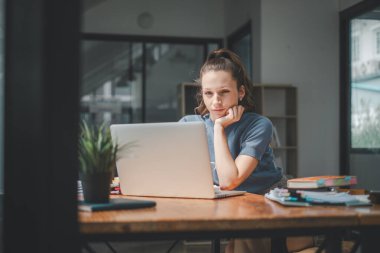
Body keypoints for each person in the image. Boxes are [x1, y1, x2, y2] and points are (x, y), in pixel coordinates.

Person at [179, 48, 314, 253]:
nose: (215, 101)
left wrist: (218, 129)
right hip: (228, 203)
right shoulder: (188, 125)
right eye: (208, 93)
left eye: (224, 92)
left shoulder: (259, 125)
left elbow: (229, 181)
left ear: (240, 92)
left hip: (271, 200)